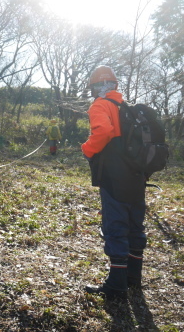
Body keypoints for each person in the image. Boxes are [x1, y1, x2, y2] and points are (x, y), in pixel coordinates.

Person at [81, 65, 147, 300]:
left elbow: (103, 132)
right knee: (134, 225)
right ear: (115, 85)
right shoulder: (127, 107)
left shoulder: (100, 105)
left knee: (115, 225)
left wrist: (87, 150)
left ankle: (116, 286)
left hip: (114, 175)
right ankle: (133, 278)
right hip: (137, 176)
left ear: (96, 87)